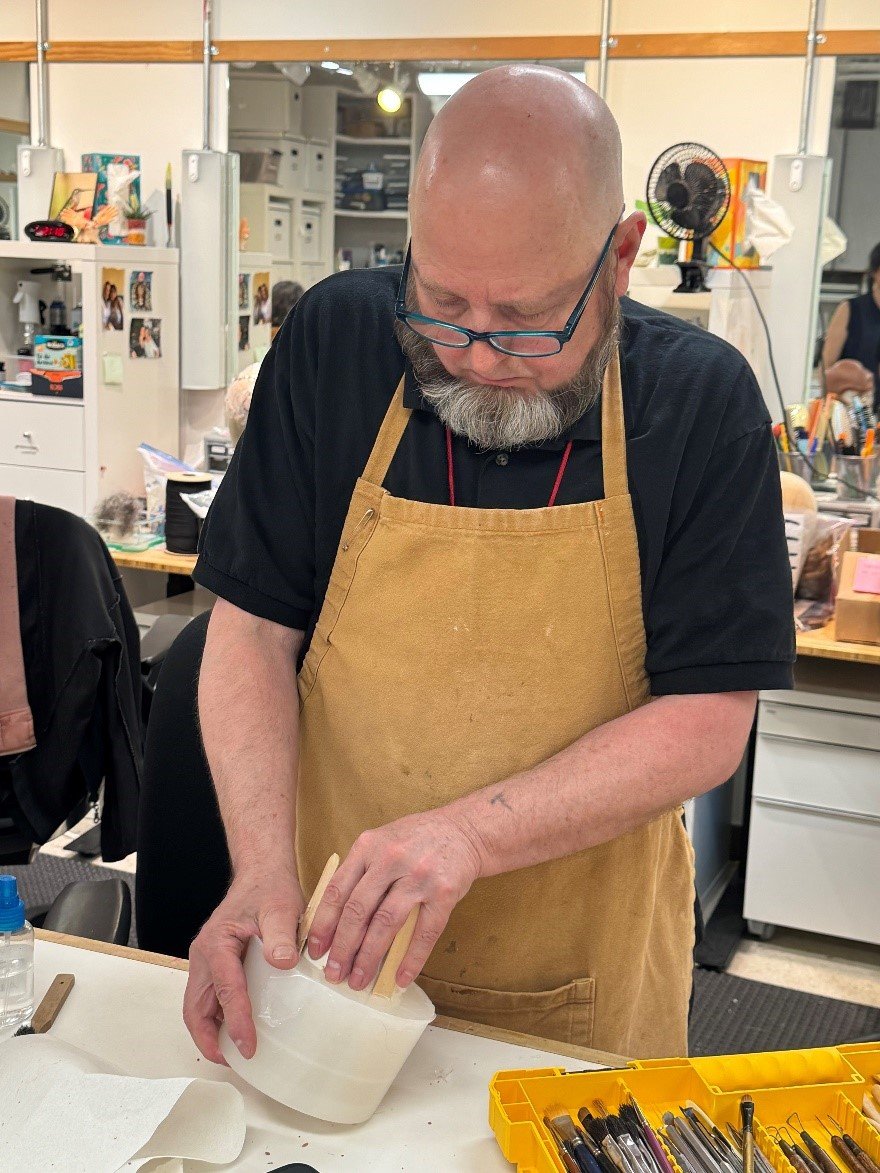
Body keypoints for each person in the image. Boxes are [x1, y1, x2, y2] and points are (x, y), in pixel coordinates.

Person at [185, 66, 794, 1063]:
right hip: (333, 970)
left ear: (621, 257)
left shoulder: (699, 404)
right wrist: (258, 867)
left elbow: (708, 721)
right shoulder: (336, 345)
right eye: (438, 303)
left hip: (581, 982)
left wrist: (468, 835)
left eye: (523, 320)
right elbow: (251, 630)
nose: (472, 355)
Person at [822, 242, 880, 415]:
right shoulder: (850, 309)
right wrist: (826, 410)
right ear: (875, 271)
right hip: (849, 412)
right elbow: (827, 364)